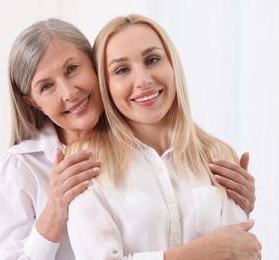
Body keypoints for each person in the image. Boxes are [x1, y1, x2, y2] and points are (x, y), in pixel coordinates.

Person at [0, 18, 257, 260]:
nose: (69, 92)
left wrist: (229, 203)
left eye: (72, 69)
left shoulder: (156, 146)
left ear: (96, 69)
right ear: (33, 103)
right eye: (47, 86)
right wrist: (55, 210)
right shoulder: (22, 166)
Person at [66, 14, 262, 259]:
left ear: (172, 65)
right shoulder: (85, 163)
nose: (143, 80)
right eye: (122, 69)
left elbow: (241, 252)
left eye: (152, 59)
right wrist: (204, 251)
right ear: (105, 84)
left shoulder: (218, 155)